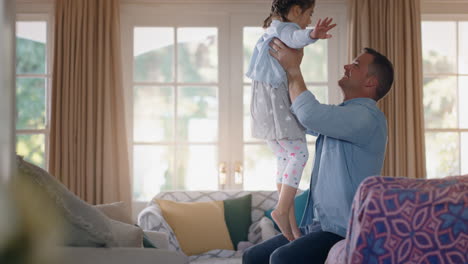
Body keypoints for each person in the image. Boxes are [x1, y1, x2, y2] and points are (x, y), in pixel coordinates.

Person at [242, 40, 394, 263]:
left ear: (370, 81)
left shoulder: (367, 118)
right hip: (317, 226)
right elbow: (298, 118)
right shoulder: (343, 116)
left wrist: (294, 68)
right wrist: (282, 72)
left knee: (282, 259)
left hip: (343, 229)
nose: (346, 67)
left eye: (355, 65)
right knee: (253, 256)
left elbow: (309, 114)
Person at [245, 0, 336, 242]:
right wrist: (313, 34)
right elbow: (296, 38)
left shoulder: (272, 30)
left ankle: (291, 225)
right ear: (295, 10)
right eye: (309, 14)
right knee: (299, 155)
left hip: (264, 108)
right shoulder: (284, 30)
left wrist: (310, 34)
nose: (309, 20)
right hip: (276, 106)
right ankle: (282, 209)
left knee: (285, 157)